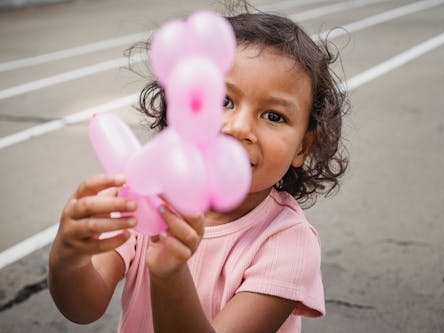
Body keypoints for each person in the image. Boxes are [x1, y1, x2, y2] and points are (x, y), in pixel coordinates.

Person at [48, 7, 348, 333]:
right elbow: (83, 307)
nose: (239, 127)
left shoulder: (288, 243)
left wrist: (170, 274)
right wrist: (67, 257)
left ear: (302, 147)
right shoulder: (146, 197)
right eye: (223, 101)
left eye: (274, 116)